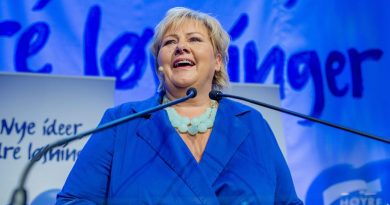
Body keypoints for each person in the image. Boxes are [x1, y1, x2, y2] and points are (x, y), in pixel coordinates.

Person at [56, 7, 303, 204]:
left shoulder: (252, 123)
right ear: (159, 64)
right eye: (169, 42)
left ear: (218, 60)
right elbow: (74, 200)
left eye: (194, 39)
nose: (181, 47)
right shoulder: (121, 123)